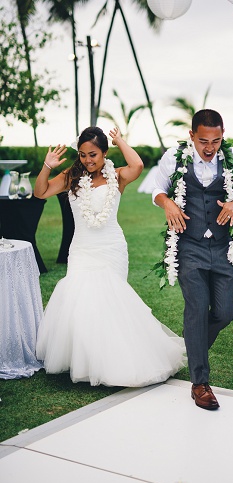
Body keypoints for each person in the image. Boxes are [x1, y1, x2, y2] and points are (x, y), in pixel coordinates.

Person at [34, 127, 186, 387]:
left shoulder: (117, 177)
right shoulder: (70, 177)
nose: (87, 160)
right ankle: (88, 362)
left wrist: (120, 140)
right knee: (81, 302)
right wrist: (47, 166)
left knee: (110, 303)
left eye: (93, 154)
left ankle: (113, 361)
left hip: (111, 247)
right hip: (82, 248)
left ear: (104, 152)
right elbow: (40, 192)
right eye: (82, 155)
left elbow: (137, 165)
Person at [152, 110, 233, 410]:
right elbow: (158, 191)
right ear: (191, 136)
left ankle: (194, 343)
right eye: (203, 141)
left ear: (223, 135)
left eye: (216, 140)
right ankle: (200, 384)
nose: (210, 147)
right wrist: (168, 203)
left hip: (225, 247)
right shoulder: (174, 157)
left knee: (225, 312)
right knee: (197, 308)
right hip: (190, 245)